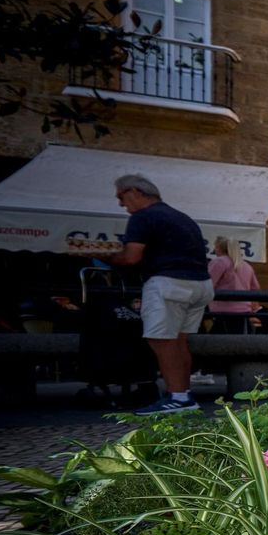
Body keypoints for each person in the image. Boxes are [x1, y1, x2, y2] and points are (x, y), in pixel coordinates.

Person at [105, 174, 215, 414]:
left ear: (135, 191)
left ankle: (178, 398)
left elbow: (132, 256)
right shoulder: (181, 217)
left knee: (161, 340)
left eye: (121, 197)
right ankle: (183, 395)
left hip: (169, 283)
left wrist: (109, 257)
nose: (121, 204)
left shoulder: (143, 217)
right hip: (200, 284)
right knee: (179, 341)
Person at [207, 236, 259, 332]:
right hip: (243, 312)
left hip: (222, 311)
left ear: (218, 248)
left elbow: (208, 284)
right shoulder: (247, 266)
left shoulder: (219, 262)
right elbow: (255, 288)